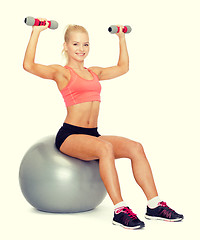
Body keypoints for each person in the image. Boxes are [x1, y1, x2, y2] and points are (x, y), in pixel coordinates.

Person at [23, 18, 183, 230]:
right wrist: (36, 31)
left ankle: (154, 205)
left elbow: (123, 67)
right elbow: (28, 65)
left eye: (86, 44)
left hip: (92, 134)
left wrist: (121, 37)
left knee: (136, 147)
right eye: (76, 44)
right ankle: (120, 209)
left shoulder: (93, 73)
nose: (81, 48)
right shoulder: (61, 72)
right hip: (70, 136)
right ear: (66, 46)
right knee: (104, 148)